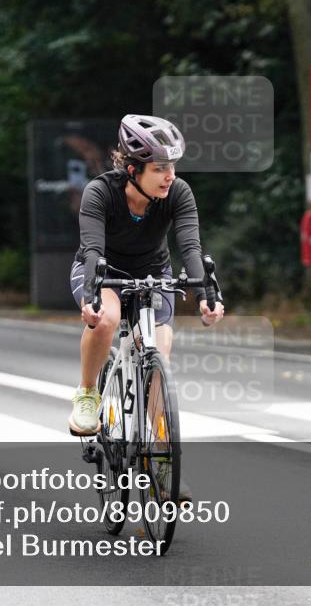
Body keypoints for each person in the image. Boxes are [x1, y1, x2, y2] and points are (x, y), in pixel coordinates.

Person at [68, 115, 224, 499]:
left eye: (172, 166)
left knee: (160, 357)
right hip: (103, 271)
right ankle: (88, 393)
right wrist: (91, 297)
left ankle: (162, 463)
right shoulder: (100, 193)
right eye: (159, 168)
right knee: (107, 320)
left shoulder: (179, 194)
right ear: (133, 168)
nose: (169, 176)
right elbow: (92, 250)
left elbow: (189, 246)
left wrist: (204, 293)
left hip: (154, 272)